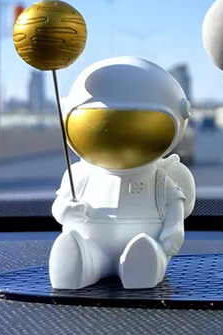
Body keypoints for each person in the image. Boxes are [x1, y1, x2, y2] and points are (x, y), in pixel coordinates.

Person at [49, 56, 196, 289]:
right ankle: (80, 259)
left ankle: (146, 259)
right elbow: (59, 207)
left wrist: (174, 229)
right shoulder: (80, 174)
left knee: (143, 250)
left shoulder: (159, 178)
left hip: (142, 240)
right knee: (83, 253)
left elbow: (176, 204)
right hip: (92, 240)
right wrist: (66, 211)